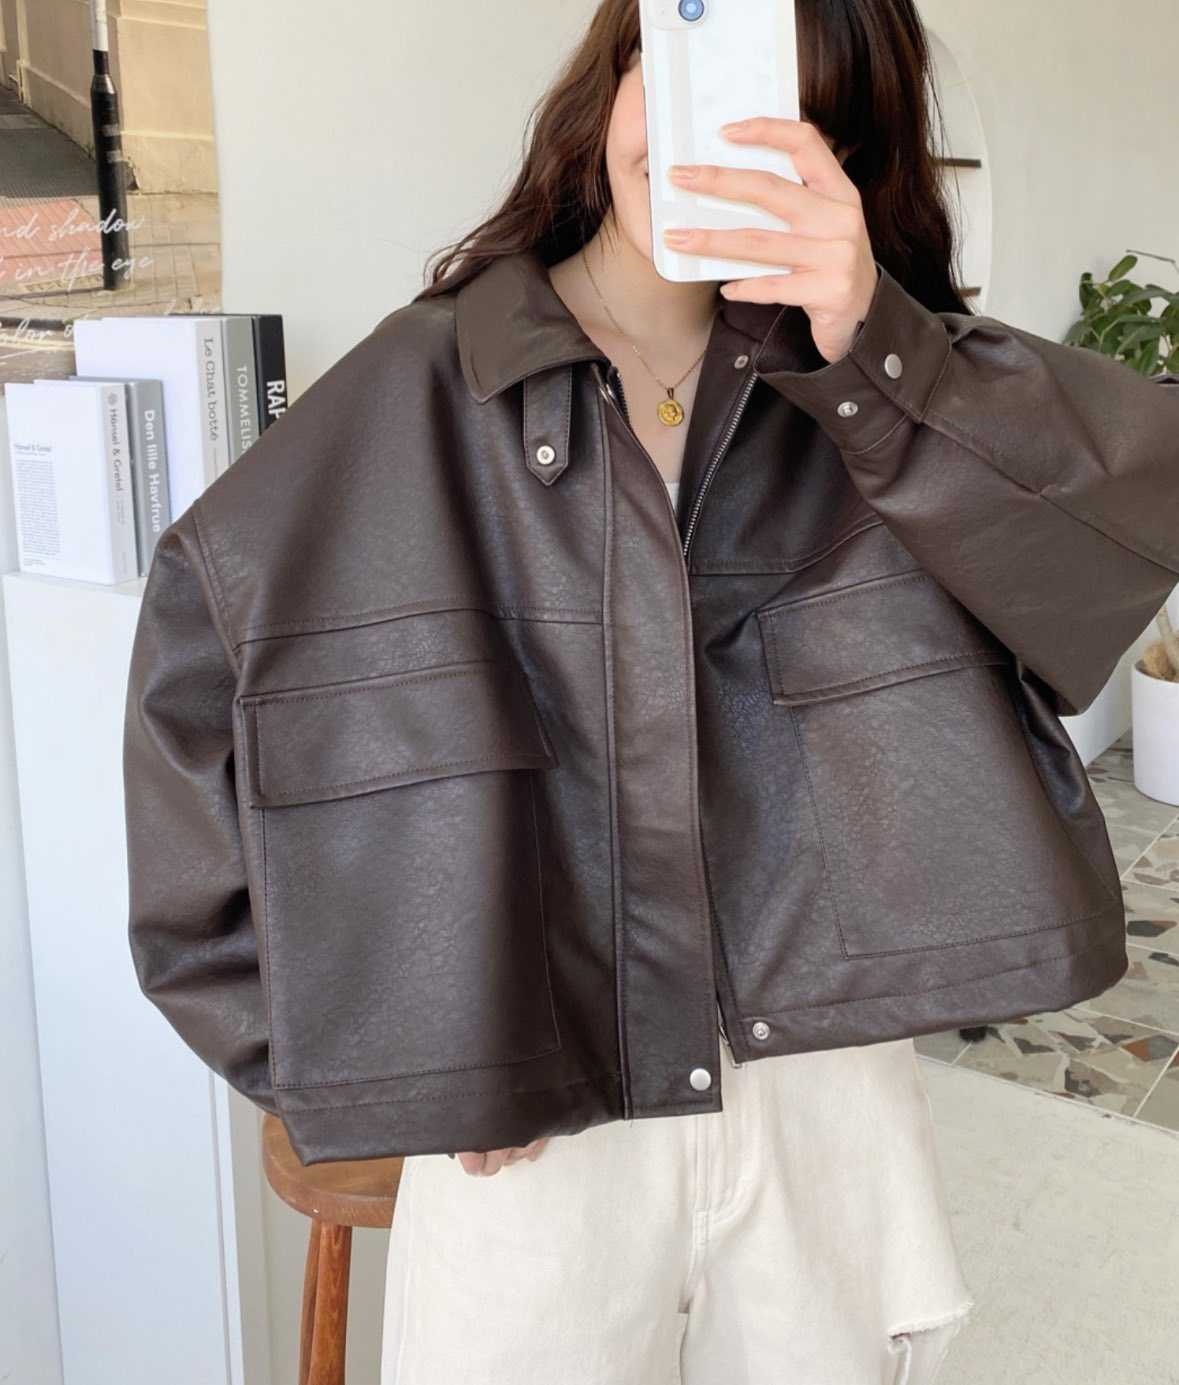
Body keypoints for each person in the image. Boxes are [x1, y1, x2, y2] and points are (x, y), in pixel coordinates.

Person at [382, 3, 981, 1381]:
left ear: (848, 153)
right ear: (615, 77)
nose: (727, 127)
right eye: (693, 62)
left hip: (821, 1071)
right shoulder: (437, 379)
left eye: (791, 100)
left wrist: (879, 348)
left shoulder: (876, 388)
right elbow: (314, 736)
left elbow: (1065, 588)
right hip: (545, 1075)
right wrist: (418, 1029)